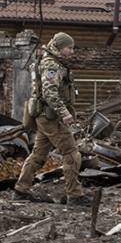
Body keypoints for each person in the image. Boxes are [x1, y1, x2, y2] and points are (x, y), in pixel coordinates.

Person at [13, 32, 88, 205]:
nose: (72, 52)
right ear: (61, 47)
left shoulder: (51, 62)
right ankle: (75, 195)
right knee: (71, 153)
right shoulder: (51, 65)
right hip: (50, 117)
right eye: (69, 48)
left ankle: (21, 189)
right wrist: (65, 113)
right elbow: (49, 92)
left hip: (45, 117)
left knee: (38, 154)